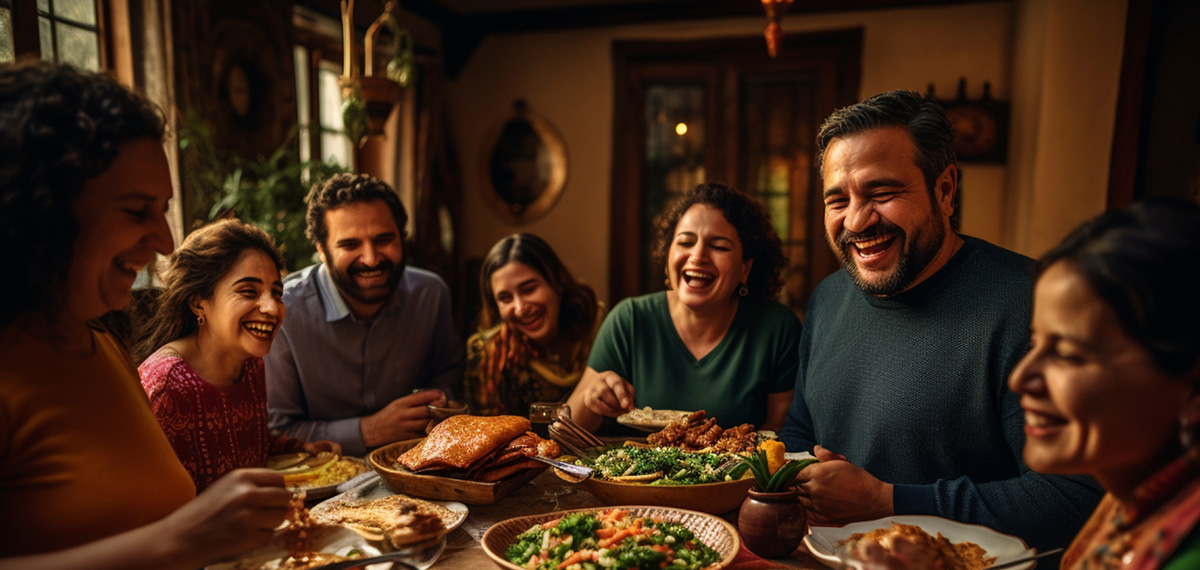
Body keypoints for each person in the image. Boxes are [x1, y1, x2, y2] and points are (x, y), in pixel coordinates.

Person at [777, 89, 1103, 555]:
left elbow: (1078, 496)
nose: (856, 220)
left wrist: (886, 502)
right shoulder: (828, 298)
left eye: (882, 193)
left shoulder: (1035, 305)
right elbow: (799, 433)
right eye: (837, 200)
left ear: (945, 190)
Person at [0, 61, 291, 568]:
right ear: (42, 210)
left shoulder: (103, 346)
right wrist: (184, 539)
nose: (165, 242)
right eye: (138, 211)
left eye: (163, 210)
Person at [1009, 199, 1200, 570]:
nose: (1020, 379)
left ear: (1192, 388)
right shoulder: (1129, 507)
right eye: (1034, 345)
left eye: (1066, 354)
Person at [568, 182, 800, 432]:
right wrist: (592, 399)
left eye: (719, 246)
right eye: (685, 242)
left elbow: (781, 431)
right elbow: (567, 431)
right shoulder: (630, 320)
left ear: (745, 269)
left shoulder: (778, 328)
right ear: (668, 257)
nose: (698, 256)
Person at [265, 173, 464, 457]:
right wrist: (370, 430)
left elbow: (449, 374)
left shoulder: (431, 294)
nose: (371, 258)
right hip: (319, 481)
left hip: (418, 464)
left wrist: (437, 404)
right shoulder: (285, 311)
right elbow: (277, 431)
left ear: (402, 238)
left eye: (384, 240)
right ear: (321, 250)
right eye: (350, 245)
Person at [137, 219, 341, 492]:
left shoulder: (251, 364)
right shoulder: (167, 388)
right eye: (248, 291)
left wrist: (298, 448)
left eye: (276, 293)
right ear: (199, 302)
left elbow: (243, 449)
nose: (271, 307)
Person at [463, 233, 605, 416]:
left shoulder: (601, 331)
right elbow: (482, 432)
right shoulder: (489, 352)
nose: (520, 309)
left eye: (529, 289)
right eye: (505, 298)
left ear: (557, 282)